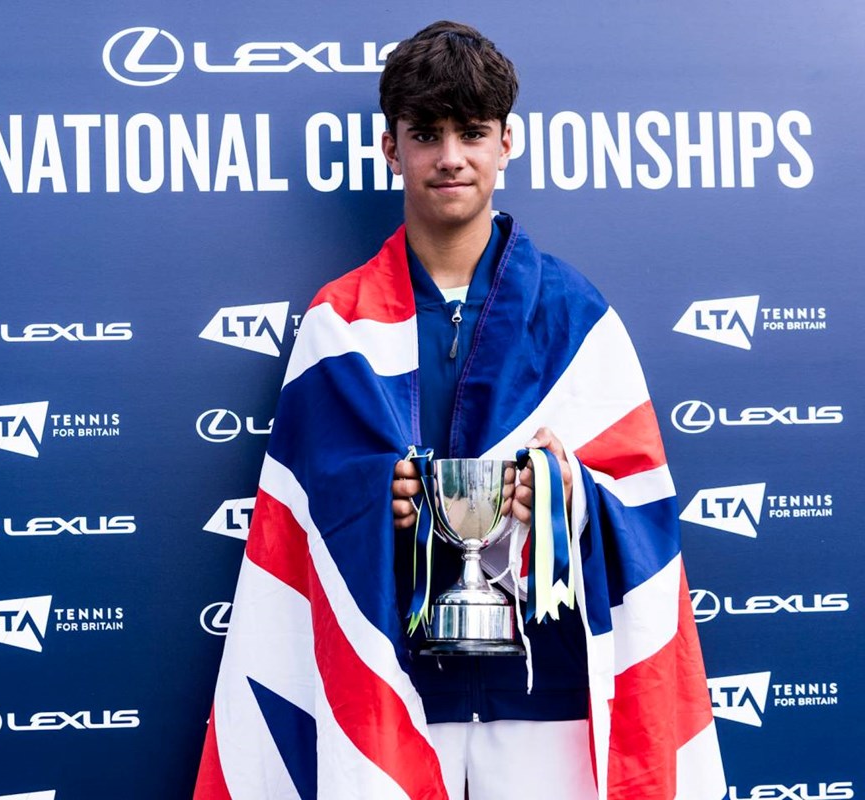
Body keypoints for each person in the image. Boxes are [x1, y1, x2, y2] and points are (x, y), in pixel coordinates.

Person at [196, 21, 724, 800]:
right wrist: (381, 500)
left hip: (545, 694)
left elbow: (640, 510)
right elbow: (298, 523)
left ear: (507, 142)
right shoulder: (337, 323)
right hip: (391, 689)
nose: (450, 157)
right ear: (390, 148)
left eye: (472, 133)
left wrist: (566, 497)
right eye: (427, 134)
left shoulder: (576, 316)